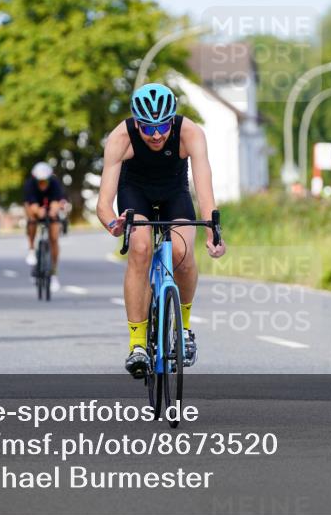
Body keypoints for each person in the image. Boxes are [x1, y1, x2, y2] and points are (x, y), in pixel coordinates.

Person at [96, 83, 226, 378]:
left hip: (174, 194)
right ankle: (137, 344)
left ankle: (185, 328)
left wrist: (212, 231)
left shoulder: (190, 132)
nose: (156, 135)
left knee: (182, 252)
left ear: (172, 120)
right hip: (135, 193)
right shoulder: (120, 137)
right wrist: (112, 224)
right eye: (148, 128)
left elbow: (204, 187)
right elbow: (104, 201)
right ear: (137, 123)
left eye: (163, 126)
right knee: (140, 249)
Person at [23, 161, 69, 293]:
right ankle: (31, 249)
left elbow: (57, 202)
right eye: (40, 181)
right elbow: (31, 205)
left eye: (45, 181)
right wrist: (38, 212)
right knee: (31, 219)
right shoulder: (30, 185)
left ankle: (53, 272)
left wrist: (53, 212)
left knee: (54, 237)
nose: (42, 184)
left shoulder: (55, 184)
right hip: (35, 207)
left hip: (50, 207)